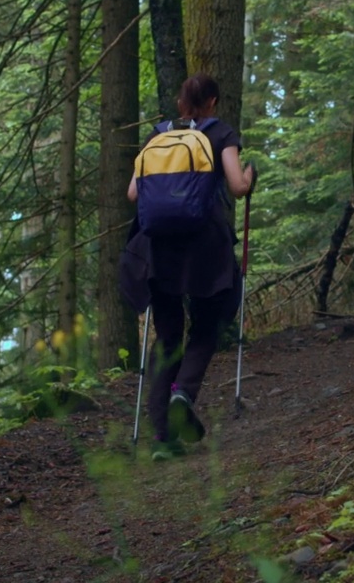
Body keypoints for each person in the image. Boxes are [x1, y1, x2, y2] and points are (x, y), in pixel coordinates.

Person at [126, 73, 256, 460]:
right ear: (213, 102)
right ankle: (183, 392)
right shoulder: (220, 134)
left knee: (167, 337)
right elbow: (237, 186)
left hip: (158, 248)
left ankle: (162, 439)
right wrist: (249, 176)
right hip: (205, 246)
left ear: (181, 102)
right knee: (208, 323)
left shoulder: (157, 136)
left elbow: (133, 192)